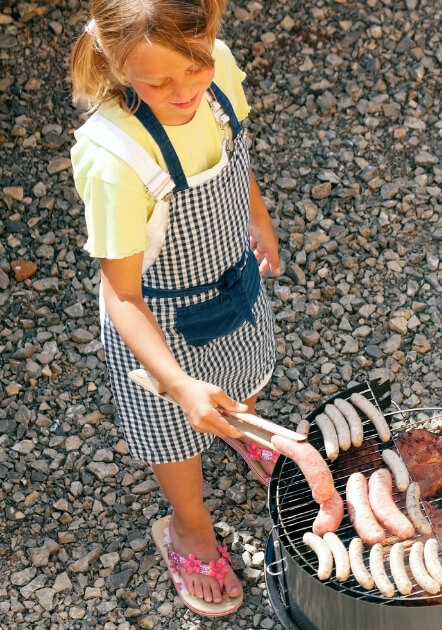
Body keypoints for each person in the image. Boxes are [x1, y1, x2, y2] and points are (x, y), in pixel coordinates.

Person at [69, 0, 280, 617]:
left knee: (242, 378)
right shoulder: (115, 158)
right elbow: (122, 294)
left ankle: (243, 429)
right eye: (157, 82)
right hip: (157, 328)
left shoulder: (218, 70)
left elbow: (237, 159)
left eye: (194, 68)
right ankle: (188, 525)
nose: (183, 90)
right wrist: (178, 381)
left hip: (231, 281)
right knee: (176, 429)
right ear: (114, 61)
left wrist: (257, 217)